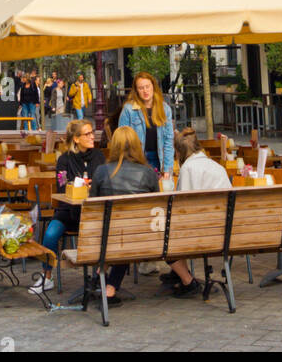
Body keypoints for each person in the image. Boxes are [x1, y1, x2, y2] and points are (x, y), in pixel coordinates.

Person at [28, 119, 106, 297]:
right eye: (88, 134)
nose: (93, 136)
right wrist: (82, 186)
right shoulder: (64, 160)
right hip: (67, 212)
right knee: (50, 234)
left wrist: (86, 186)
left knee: (102, 234)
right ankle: (46, 276)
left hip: (92, 212)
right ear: (77, 139)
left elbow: (102, 182)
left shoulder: (99, 156)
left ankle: (98, 277)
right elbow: (62, 187)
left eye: (92, 133)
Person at [89, 126, 159, 305]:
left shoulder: (102, 171)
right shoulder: (148, 173)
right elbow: (156, 207)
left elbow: (93, 207)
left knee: (116, 234)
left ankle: (102, 281)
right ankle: (109, 286)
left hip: (107, 236)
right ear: (137, 145)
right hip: (139, 235)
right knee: (125, 235)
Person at [163, 129, 232, 297]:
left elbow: (182, 208)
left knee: (165, 236)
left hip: (202, 232)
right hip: (224, 232)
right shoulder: (217, 167)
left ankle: (187, 280)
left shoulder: (188, 168)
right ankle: (178, 272)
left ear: (179, 152)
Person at [118, 72, 174, 177]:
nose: (145, 91)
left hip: (158, 159)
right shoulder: (128, 109)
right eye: (141, 88)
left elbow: (168, 141)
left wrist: (167, 169)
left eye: (147, 86)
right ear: (136, 91)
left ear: (153, 86)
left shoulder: (165, 109)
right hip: (136, 160)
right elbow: (121, 140)